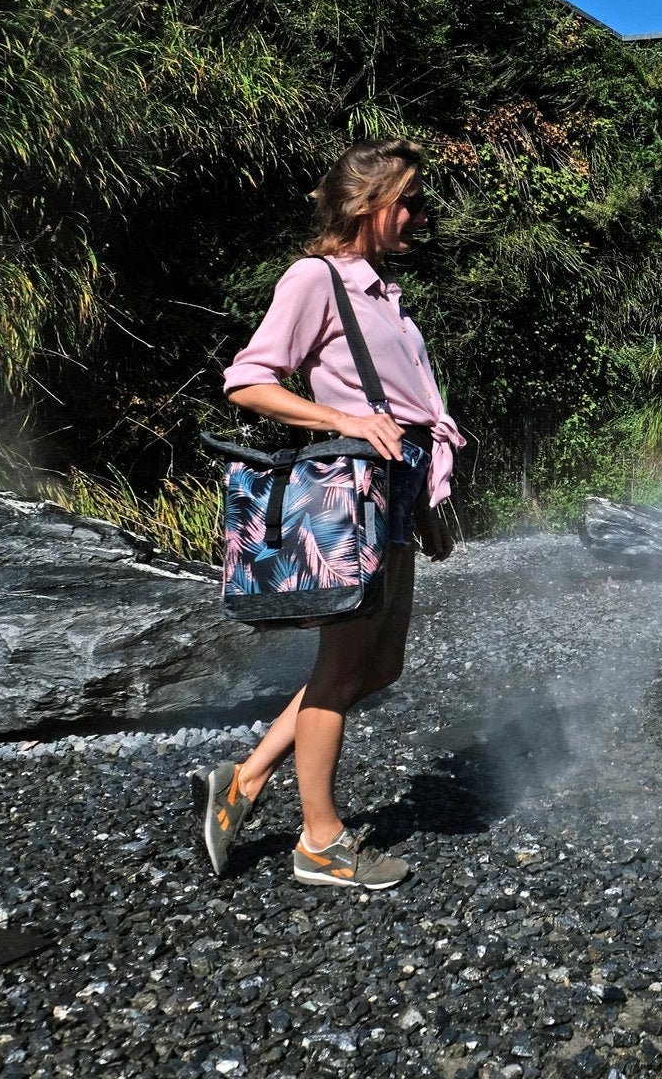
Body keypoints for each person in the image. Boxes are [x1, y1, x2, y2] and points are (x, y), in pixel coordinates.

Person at [191, 139, 464, 890]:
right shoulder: (315, 278)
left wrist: (430, 504)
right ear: (368, 204)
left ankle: (245, 781)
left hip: (397, 490)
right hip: (352, 489)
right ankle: (320, 841)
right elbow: (247, 381)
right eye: (408, 201)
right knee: (344, 667)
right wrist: (335, 418)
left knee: (382, 664)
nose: (419, 215)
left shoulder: (384, 293)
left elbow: (412, 410)